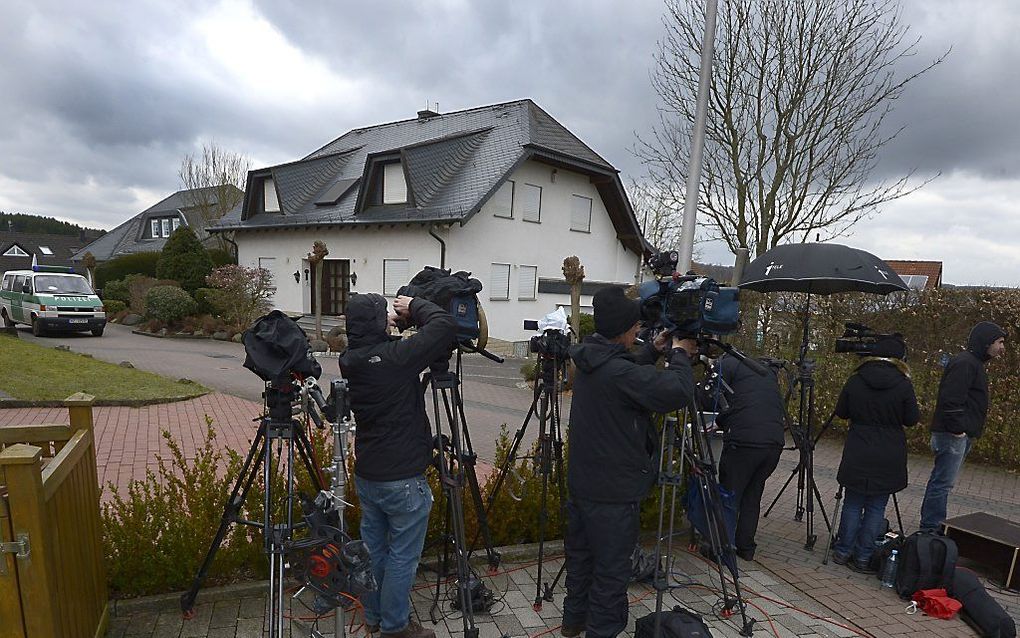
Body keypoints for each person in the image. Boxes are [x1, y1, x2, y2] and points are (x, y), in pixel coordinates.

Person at [561, 285, 697, 638]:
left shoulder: (592, 359)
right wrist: (681, 355)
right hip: (613, 493)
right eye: (635, 327)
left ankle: (573, 621)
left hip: (583, 485)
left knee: (581, 561)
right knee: (610, 571)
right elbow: (675, 392)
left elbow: (624, 369)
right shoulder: (618, 373)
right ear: (622, 329)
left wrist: (653, 350)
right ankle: (601, 631)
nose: (639, 331)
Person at [339, 293, 456, 638]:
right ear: (375, 323)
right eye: (385, 316)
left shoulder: (351, 359)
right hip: (403, 479)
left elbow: (384, 347)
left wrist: (397, 323)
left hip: (369, 475)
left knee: (374, 553)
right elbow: (445, 326)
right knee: (403, 557)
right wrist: (417, 305)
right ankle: (395, 627)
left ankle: (374, 616)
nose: (390, 319)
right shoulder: (396, 358)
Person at [831, 335, 919, 572]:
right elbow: (912, 419)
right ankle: (863, 557)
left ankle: (842, 551)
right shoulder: (903, 384)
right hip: (888, 451)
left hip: (858, 447)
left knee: (852, 502)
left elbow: (841, 412)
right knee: (876, 507)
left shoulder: (856, 380)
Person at [919, 321, 1006, 532]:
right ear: (986, 342)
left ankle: (933, 523)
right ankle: (931, 526)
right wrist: (958, 430)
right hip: (952, 435)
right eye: (999, 342)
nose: (1002, 347)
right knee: (942, 482)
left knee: (942, 481)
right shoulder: (966, 363)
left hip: (958, 434)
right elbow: (951, 399)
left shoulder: (972, 363)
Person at [712, 355, 786, 561]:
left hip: (744, 443)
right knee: (752, 495)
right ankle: (746, 548)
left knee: (730, 495)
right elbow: (753, 406)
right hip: (773, 444)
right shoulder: (766, 374)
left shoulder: (726, 368)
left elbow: (730, 405)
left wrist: (720, 421)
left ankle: (722, 550)